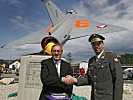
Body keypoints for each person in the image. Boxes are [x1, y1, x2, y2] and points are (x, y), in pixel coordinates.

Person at [65, 34, 123, 100]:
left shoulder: (110, 57)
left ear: (103, 44)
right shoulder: (92, 60)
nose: (96, 46)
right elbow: (88, 78)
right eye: (94, 44)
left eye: (98, 43)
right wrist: (74, 80)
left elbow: (118, 80)